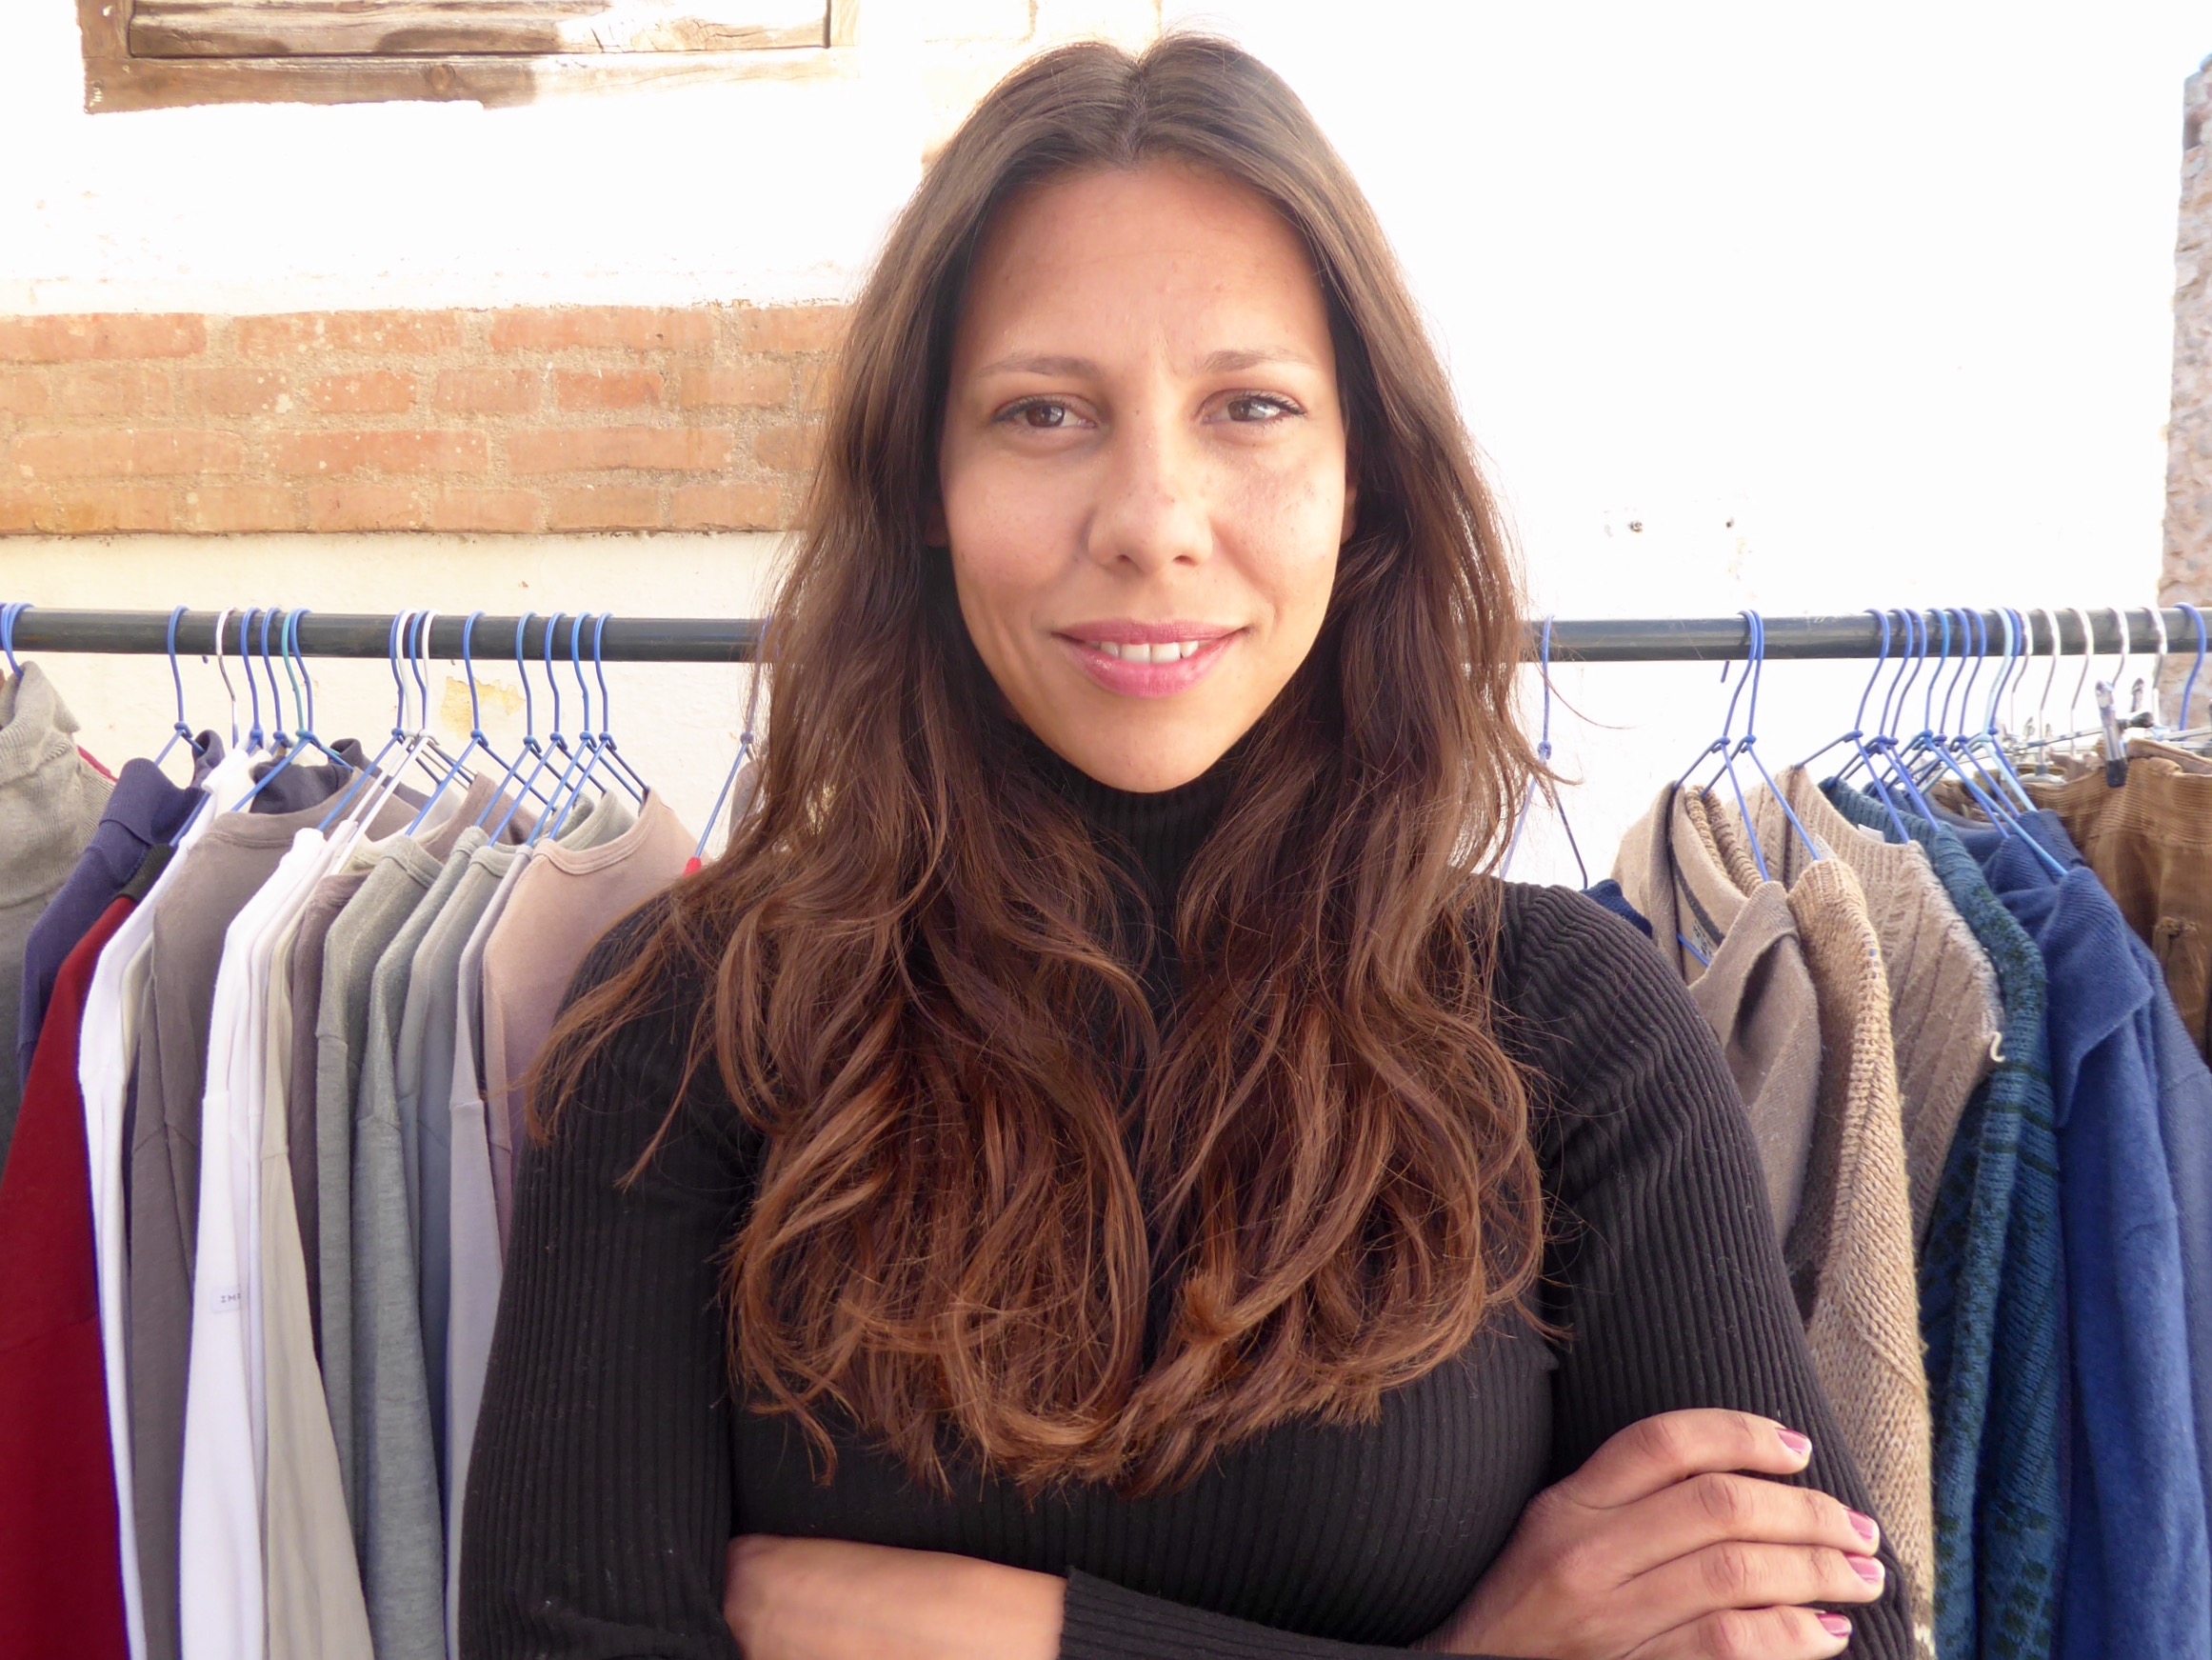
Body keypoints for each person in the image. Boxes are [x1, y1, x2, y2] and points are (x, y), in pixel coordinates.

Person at [461, 34, 1909, 1660]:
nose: (1151, 519)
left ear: (1361, 480)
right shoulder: (695, 1023)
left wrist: (1006, 1634)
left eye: (1251, 408)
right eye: (1043, 412)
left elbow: (1826, 1629)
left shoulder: (1566, 1027)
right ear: (925, 480)